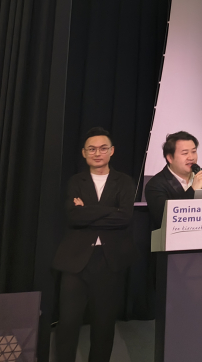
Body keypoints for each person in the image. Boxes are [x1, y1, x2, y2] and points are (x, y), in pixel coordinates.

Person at [52, 127, 136, 362]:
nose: (97, 153)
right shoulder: (75, 181)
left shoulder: (124, 182)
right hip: (75, 261)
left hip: (109, 261)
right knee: (68, 323)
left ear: (112, 151)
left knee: (104, 325)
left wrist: (88, 210)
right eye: (92, 149)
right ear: (83, 152)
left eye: (102, 148)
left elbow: (125, 218)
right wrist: (109, 211)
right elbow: (73, 217)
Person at [144, 131, 202, 229]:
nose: (191, 157)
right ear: (170, 158)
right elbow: (164, 219)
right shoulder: (155, 185)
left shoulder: (201, 175)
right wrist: (193, 190)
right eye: (185, 153)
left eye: (194, 151)